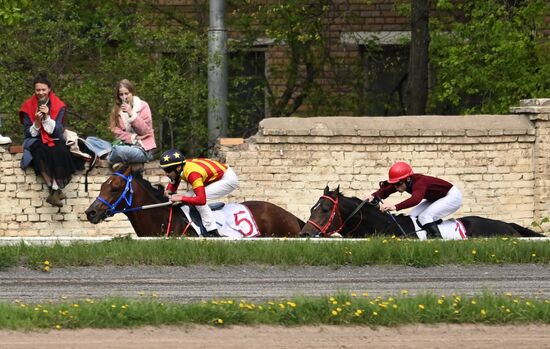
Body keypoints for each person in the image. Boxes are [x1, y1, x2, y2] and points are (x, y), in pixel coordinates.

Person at [19, 73, 76, 207]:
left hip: (53, 137)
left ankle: (54, 190)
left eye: (43, 90)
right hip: (35, 139)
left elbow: (57, 131)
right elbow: (28, 133)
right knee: (40, 151)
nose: (40, 93)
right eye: (38, 90)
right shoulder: (27, 105)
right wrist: (37, 122)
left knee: (61, 151)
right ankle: (55, 190)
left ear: (49, 89)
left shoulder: (58, 105)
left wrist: (47, 118)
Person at [367, 161, 462, 238]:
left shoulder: (420, 182)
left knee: (424, 217)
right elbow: (385, 192)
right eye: (394, 184)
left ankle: (438, 241)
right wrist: (372, 196)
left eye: (398, 184)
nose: (396, 187)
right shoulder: (402, 182)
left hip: (451, 196)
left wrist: (395, 206)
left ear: (408, 179)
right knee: (413, 215)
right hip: (437, 197)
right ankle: (426, 234)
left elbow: (415, 200)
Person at [159, 149, 240, 237]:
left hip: (227, 179)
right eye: (164, 170)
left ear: (178, 168)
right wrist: (169, 191)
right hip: (216, 176)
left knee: (196, 200)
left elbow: (201, 200)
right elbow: (175, 181)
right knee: (187, 196)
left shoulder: (192, 174)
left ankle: (212, 231)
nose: (166, 174)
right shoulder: (181, 167)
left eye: (168, 170)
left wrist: (180, 198)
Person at [108, 79, 156, 168]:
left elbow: (145, 131)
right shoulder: (116, 110)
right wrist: (133, 137)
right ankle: (116, 157)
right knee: (91, 141)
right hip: (123, 145)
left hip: (141, 148)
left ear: (132, 93)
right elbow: (117, 132)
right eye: (121, 94)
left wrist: (131, 114)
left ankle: (112, 158)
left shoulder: (143, 106)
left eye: (126, 93)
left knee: (118, 151)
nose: (124, 97)